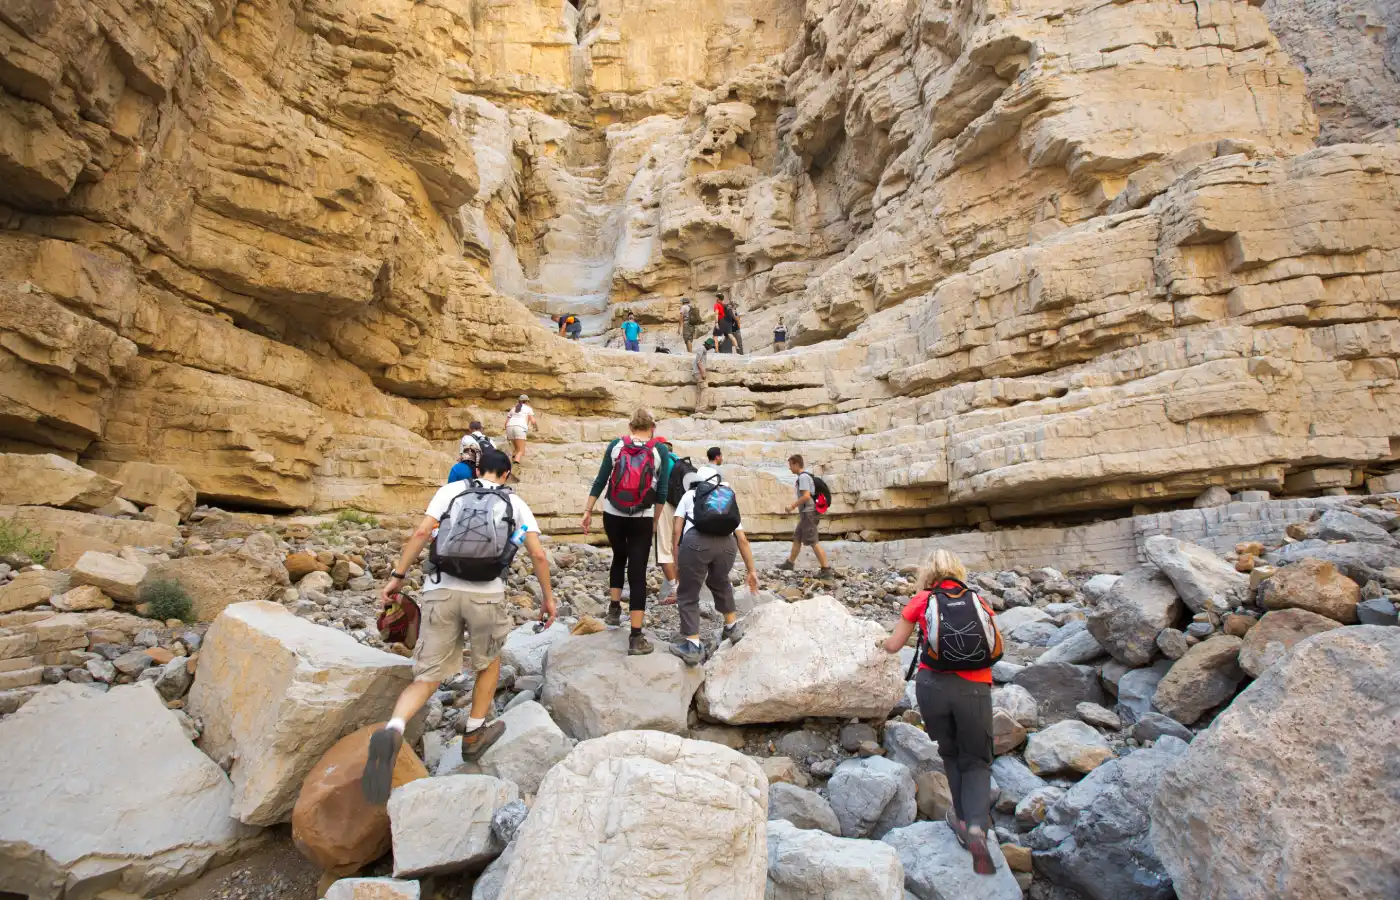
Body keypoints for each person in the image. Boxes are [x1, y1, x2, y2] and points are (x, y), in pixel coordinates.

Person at [362, 449, 554, 804]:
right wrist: (547, 598)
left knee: (428, 676)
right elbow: (538, 554)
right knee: (489, 661)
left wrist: (397, 577)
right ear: (507, 475)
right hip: (487, 595)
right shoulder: (517, 504)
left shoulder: (451, 492)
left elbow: (422, 532)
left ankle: (394, 728)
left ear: (477, 470)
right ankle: (474, 732)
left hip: (440, 588)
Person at [877, 549, 1000, 876]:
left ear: (926, 573)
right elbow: (995, 646)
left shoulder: (921, 600)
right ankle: (975, 827)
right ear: (958, 570)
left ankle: (961, 819)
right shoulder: (978, 600)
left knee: (950, 753)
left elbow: (894, 645)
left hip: (932, 688)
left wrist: (876, 643)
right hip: (974, 688)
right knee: (975, 758)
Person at [581, 408, 673, 655]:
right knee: (637, 571)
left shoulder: (616, 445)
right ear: (652, 427)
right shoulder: (660, 450)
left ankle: (613, 610)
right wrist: (653, 521)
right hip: (641, 516)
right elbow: (662, 491)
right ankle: (635, 637)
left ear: (630, 426)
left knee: (619, 556)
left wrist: (588, 511)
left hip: (613, 513)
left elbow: (601, 480)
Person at [669, 466, 758, 665]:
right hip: (727, 544)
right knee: (721, 582)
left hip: (696, 544)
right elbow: (742, 538)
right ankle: (732, 627)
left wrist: (676, 561)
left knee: (688, 592)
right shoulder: (725, 500)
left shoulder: (689, 495)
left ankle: (692, 646)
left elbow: (676, 531)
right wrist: (752, 570)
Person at [777, 454, 832, 577]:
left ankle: (826, 570)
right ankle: (789, 563)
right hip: (806, 514)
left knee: (813, 541)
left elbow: (806, 496)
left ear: (796, 464)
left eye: (790, 465)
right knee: (797, 537)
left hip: (809, 513)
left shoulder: (803, 477)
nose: (789, 468)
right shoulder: (803, 477)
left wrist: (792, 506)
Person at [652, 441, 682, 606]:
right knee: (675, 549)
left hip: (663, 507)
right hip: (679, 508)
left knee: (663, 551)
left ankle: (676, 591)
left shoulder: (659, 461)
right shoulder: (677, 461)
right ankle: (680, 588)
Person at [503, 395, 535, 464]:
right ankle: (516, 462)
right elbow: (533, 421)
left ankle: (511, 462)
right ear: (527, 401)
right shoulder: (528, 409)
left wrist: (507, 434)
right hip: (520, 428)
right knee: (521, 450)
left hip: (509, 427)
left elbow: (506, 423)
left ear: (519, 401)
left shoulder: (513, 409)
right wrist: (536, 427)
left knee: (516, 449)